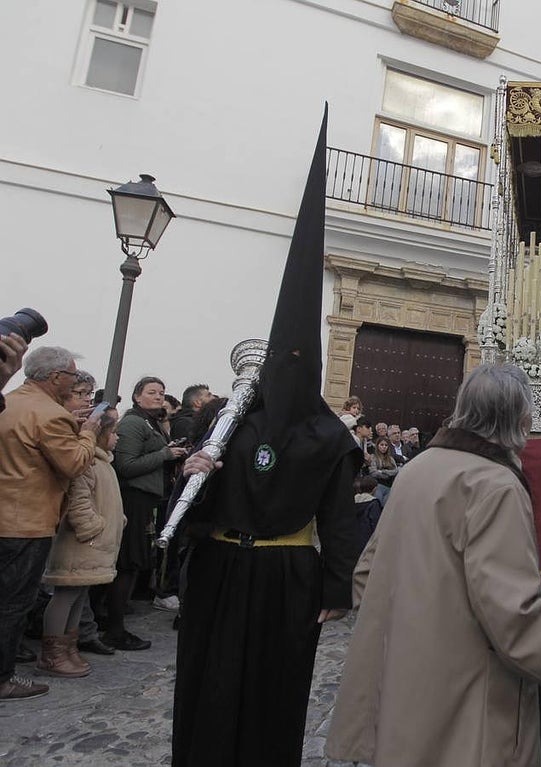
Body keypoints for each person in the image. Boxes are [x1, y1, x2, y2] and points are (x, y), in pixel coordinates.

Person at [327, 363, 541, 766]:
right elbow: (517, 625)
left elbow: (366, 575)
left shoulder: (416, 471)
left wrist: (415, 640)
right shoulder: (494, 486)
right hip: (465, 718)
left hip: (400, 704)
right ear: (522, 421)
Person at [171, 110, 363, 766]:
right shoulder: (229, 417)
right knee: (207, 675)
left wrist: (335, 587)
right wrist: (192, 474)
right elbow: (197, 492)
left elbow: (340, 518)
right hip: (221, 566)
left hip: (287, 572)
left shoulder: (331, 436)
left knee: (274, 687)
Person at [0, 346, 106, 702]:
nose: (76, 382)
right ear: (56, 377)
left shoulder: (10, 401)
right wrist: (89, 432)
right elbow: (74, 463)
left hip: (6, 515)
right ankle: (3, 678)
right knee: (14, 603)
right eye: (74, 376)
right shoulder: (50, 414)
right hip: (26, 521)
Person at [38, 413, 125, 677]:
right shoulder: (87, 464)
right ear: (101, 435)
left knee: (78, 596)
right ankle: (52, 653)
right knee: (65, 596)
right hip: (81, 543)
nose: (118, 437)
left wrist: (116, 520)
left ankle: (69, 647)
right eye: (114, 432)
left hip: (93, 546)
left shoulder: (104, 463)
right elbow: (78, 501)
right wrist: (92, 527)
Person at [108, 376, 188, 649]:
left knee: (135, 563)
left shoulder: (150, 422)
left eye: (161, 392)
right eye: (152, 392)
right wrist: (166, 454)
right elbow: (126, 465)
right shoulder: (132, 423)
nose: (158, 396)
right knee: (128, 563)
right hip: (133, 499)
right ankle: (114, 629)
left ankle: (113, 623)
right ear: (137, 396)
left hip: (147, 498)